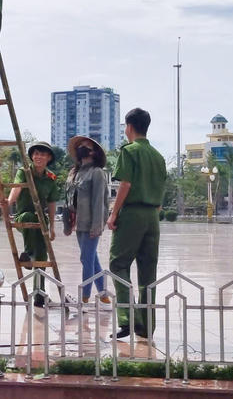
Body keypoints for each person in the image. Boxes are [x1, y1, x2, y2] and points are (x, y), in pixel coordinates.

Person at [107, 108, 167, 339]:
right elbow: (161, 189)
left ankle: (127, 318)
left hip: (132, 213)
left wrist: (114, 213)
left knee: (118, 264)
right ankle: (146, 325)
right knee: (148, 271)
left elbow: (125, 184)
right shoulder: (158, 157)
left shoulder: (129, 151)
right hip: (153, 215)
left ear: (129, 127)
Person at [0, 141, 60, 306]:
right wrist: (9, 202)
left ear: (48, 158)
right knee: (29, 217)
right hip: (23, 217)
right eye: (36, 154)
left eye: (42, 154)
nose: (38, 157)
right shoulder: (24, 172)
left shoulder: (51, 178)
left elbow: (52, 202)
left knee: (42, 257)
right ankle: (28, 252)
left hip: (41, 220)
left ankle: (39, 294)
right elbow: (17, 188)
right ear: (32, 156)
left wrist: (52, 227)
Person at [65, 135, 111, 304]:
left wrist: (97, 226)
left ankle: (84, 297)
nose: (82, 148)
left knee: (86, 259)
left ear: (94, 152)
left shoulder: (97, 172)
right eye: (80, 146)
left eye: (86, 146)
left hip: (91, 223)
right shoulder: (74, 173)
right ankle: (104, 295)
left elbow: (100, 201)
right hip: (78, 222)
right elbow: (68, 199)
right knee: (91, 259)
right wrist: (67, 223)